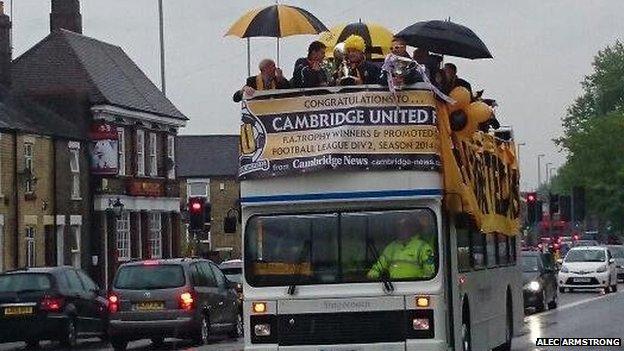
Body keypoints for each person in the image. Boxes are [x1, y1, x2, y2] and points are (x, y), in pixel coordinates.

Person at [367, 214, 436, 280]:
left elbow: (430, 271)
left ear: (412, 228)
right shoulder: (391, 247)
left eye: (405, 226)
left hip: (415, 289)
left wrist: (421, 285)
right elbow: (379, 265)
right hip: (393, 288)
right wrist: (372, 275)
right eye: (399, 226)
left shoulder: (423, 247)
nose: (402, 229)